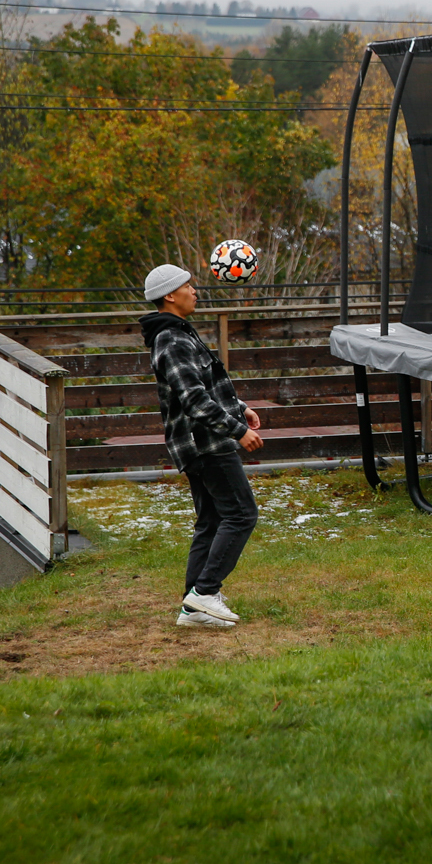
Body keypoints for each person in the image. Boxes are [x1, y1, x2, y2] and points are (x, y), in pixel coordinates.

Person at [140, 263, 264, 630]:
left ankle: (193, 608)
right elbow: (194, 400)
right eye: (188, 286)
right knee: (241, 514)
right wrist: (237, 430)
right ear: (169, 295)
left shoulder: (178, 333)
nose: (195, 291)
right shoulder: (171, 339)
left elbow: (203, 384)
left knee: (210, 522)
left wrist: (240, 407)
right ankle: (205, 592)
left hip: (200, 442)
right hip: (206, 443)